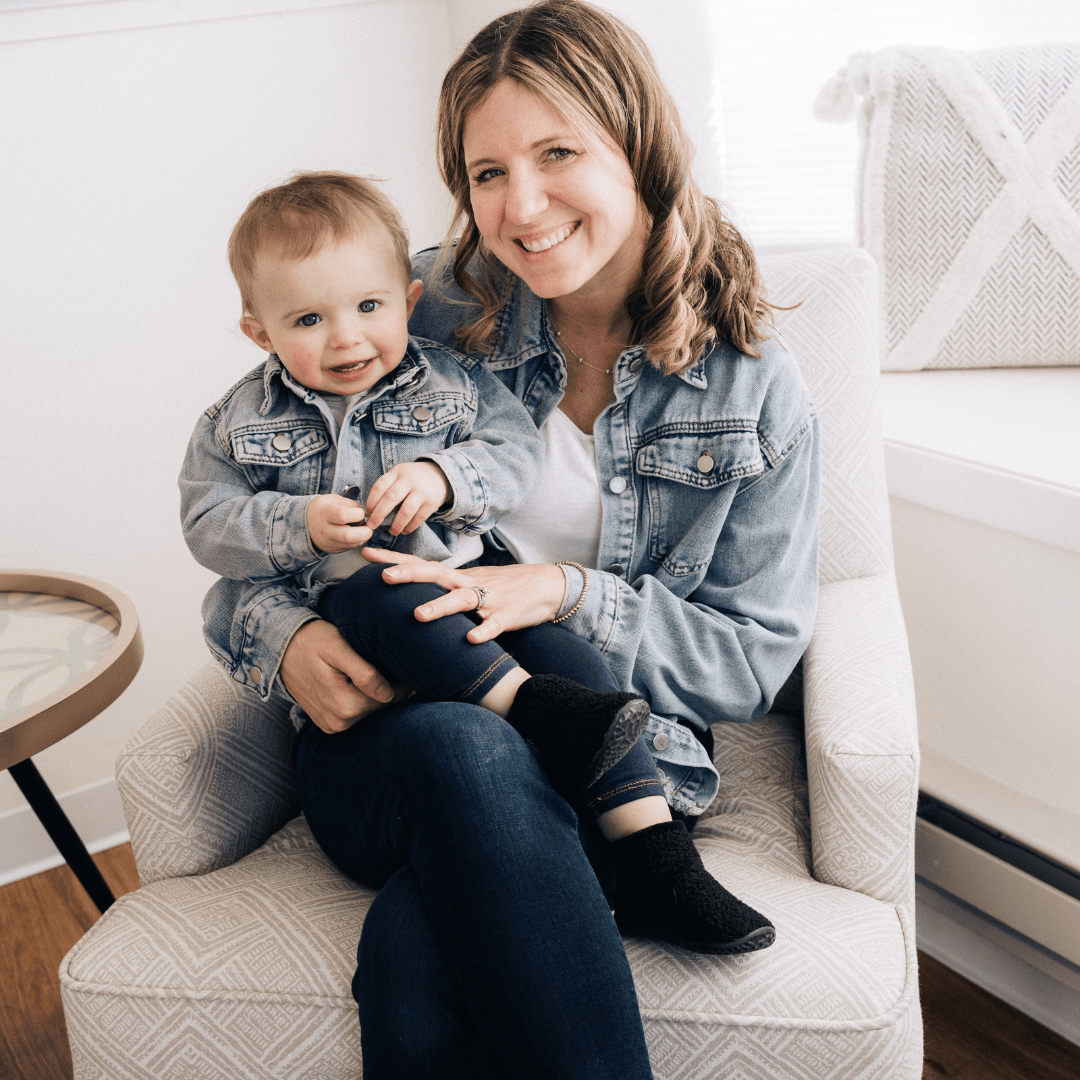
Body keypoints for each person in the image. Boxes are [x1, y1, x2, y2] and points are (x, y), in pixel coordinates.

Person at [201, 3, 820, 1076]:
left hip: (612, 760)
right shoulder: (408, 310)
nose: (520, 208)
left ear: (640, 147)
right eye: (487, 172)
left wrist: (566, 593)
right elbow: (258, 532)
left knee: (425, 923)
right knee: (458, 741)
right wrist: (281, 641)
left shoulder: (751, 387)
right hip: (382, 736)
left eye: (558, 154)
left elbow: (751, 661)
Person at [180, 169, 656, 807]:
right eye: (309, 319)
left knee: (574, 661)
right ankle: (536, 716)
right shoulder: (233, 425)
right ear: (261, 332)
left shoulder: (452, 382)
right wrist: (298, 524)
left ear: (408, 301)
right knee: (384, 590)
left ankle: (652, 840)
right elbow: (208, 525)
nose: (346, 336)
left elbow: (516, 452)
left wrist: (445, 476)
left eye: (369, 307)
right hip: (358, 633)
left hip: (470, 598)